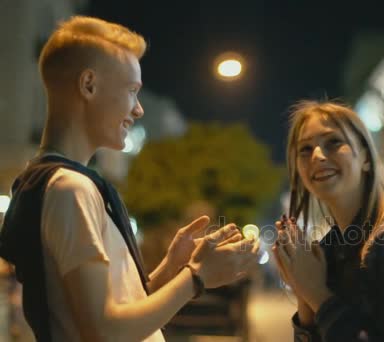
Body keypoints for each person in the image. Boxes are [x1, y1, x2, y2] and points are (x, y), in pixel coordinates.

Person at [0, 16, 258, 341]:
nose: (138, 110)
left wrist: (171, 267)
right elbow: (105, 331)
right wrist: (197, 277)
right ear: (89, 85)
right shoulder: (70, 188)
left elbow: (116, 312)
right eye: (132, 91)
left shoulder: (56, 181)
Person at [272, 100, 384, 341]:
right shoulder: (329, 248)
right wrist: (304, 296)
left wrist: (317, 293)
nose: (317, 155)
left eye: (334, 142)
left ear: (367, 157)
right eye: (305, 149)